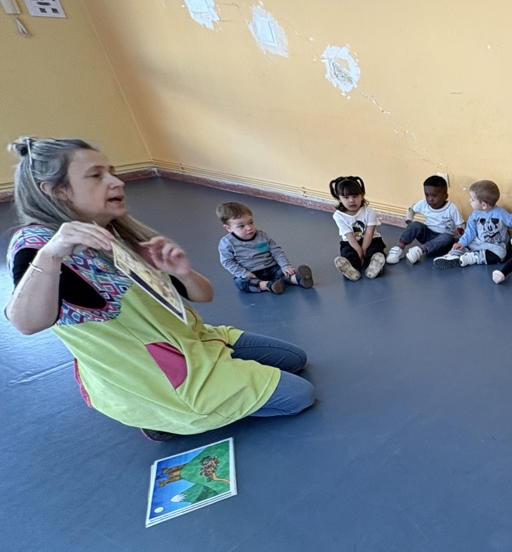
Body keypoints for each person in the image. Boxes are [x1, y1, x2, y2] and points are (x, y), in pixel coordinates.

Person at [4, 137, 314, 440]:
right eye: (96, 176)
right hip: (155, 372)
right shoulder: (37, 245)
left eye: (112, 171)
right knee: (298, 395)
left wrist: (183, 273)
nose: (117, 182)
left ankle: (223, 379)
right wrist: (52, 255)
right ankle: (161, 419)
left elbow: (204, 295)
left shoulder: (116, 231)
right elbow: (26, 323)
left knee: (294, 359)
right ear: (56, 190)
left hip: (192, 339)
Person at [216, 201, 313, 294]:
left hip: (271, 268)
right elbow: (227, 261)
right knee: (240, 282)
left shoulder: (262, 236)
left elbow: (276, 251)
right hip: (251, 273)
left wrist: (285, 266)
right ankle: (268, 285)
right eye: (241, 226)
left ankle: (296, 279)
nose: (249, 228)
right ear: (228, 228)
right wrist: (243, 273)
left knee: (283, 272)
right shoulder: (227, 243)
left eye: (251, 222)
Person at [433, 179, 512, 269]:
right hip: (477, 243)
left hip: (495, 246)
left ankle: (473, 257)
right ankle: (453, 255)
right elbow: (470, 231)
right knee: (462, 245)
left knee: (501, 254)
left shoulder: (501, 213)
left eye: (472, 199)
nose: (470, 200)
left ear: (484, 205)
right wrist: (462, 242)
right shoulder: (475, 215)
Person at [387, 174, 460, 265]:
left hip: (443, 240)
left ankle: (420, 250)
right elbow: (411, 209)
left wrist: (460, 241)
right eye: (427, 195)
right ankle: (399, 248)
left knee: (447, 237)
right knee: (415, 225)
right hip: (427, 235)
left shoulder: (452, 208)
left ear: (445, 196)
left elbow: (460, 226)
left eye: (434, 196)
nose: (430, 199)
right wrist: (409, 220)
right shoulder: (424, 204)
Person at [330, 175, 386, 281]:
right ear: (339, 198)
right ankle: (352, 269)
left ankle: (373, 267)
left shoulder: (369, 211)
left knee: (373, 251)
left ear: (362, 195)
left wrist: (363, 249)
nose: (351, 200)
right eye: (346, 197)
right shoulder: (338, 215)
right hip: (351, 242)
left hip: (371, 239)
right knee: (349, 253)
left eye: (355, 196)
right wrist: (359, 251)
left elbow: (369, 233)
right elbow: (349, 236)